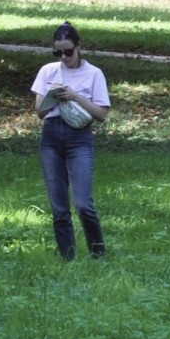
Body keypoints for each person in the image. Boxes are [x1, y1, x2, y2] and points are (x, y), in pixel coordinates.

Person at [30, 20, 111, 260]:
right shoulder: (47, 71)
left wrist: (74, 96)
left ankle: (98, 253)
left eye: (68, 51)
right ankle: (68, 257)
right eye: (58, 52)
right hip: (51, 136)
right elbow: (39, 112)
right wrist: (53, 96)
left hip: (79, 137)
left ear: (78, 47)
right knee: (59, 206)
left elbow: (102, 114)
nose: (64, 57)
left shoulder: (93, 73)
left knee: (84, 203)